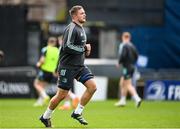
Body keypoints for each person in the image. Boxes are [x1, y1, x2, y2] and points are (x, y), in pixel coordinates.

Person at [39, 5, 97, 127]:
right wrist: (84, 48)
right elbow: (67, 46)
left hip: (79, 66)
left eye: (84, 12)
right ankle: (46, 116)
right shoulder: (71, 28)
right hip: (67, 67)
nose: (84, 14)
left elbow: (78, 49)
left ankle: (77, 112)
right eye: (82, 13)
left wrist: (85, 51)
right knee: (62, 95)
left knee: (92, 87)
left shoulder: (81, 29)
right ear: (74, 16)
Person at [114, 32, 142, 108]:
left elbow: (123, 55)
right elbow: (137, 56)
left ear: (123, 37)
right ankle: (123, 100)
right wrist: (132, 62)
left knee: (128, 84)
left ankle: (137, 98)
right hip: (132, 66)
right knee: (122, 82)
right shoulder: (132, 46)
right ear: (129, 38)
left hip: (127, 67)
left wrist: (119, 62)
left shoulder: (124, 45)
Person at [33, 36, 59, 107]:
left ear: (48, 42)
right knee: (42, 87)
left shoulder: (45, 49)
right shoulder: (57, 50)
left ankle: (45, 96)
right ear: (55, 43)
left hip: (45, 70)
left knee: (36, 84)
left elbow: (42, 60)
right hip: (53, 72)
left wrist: (38, 64)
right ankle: (40, 101)